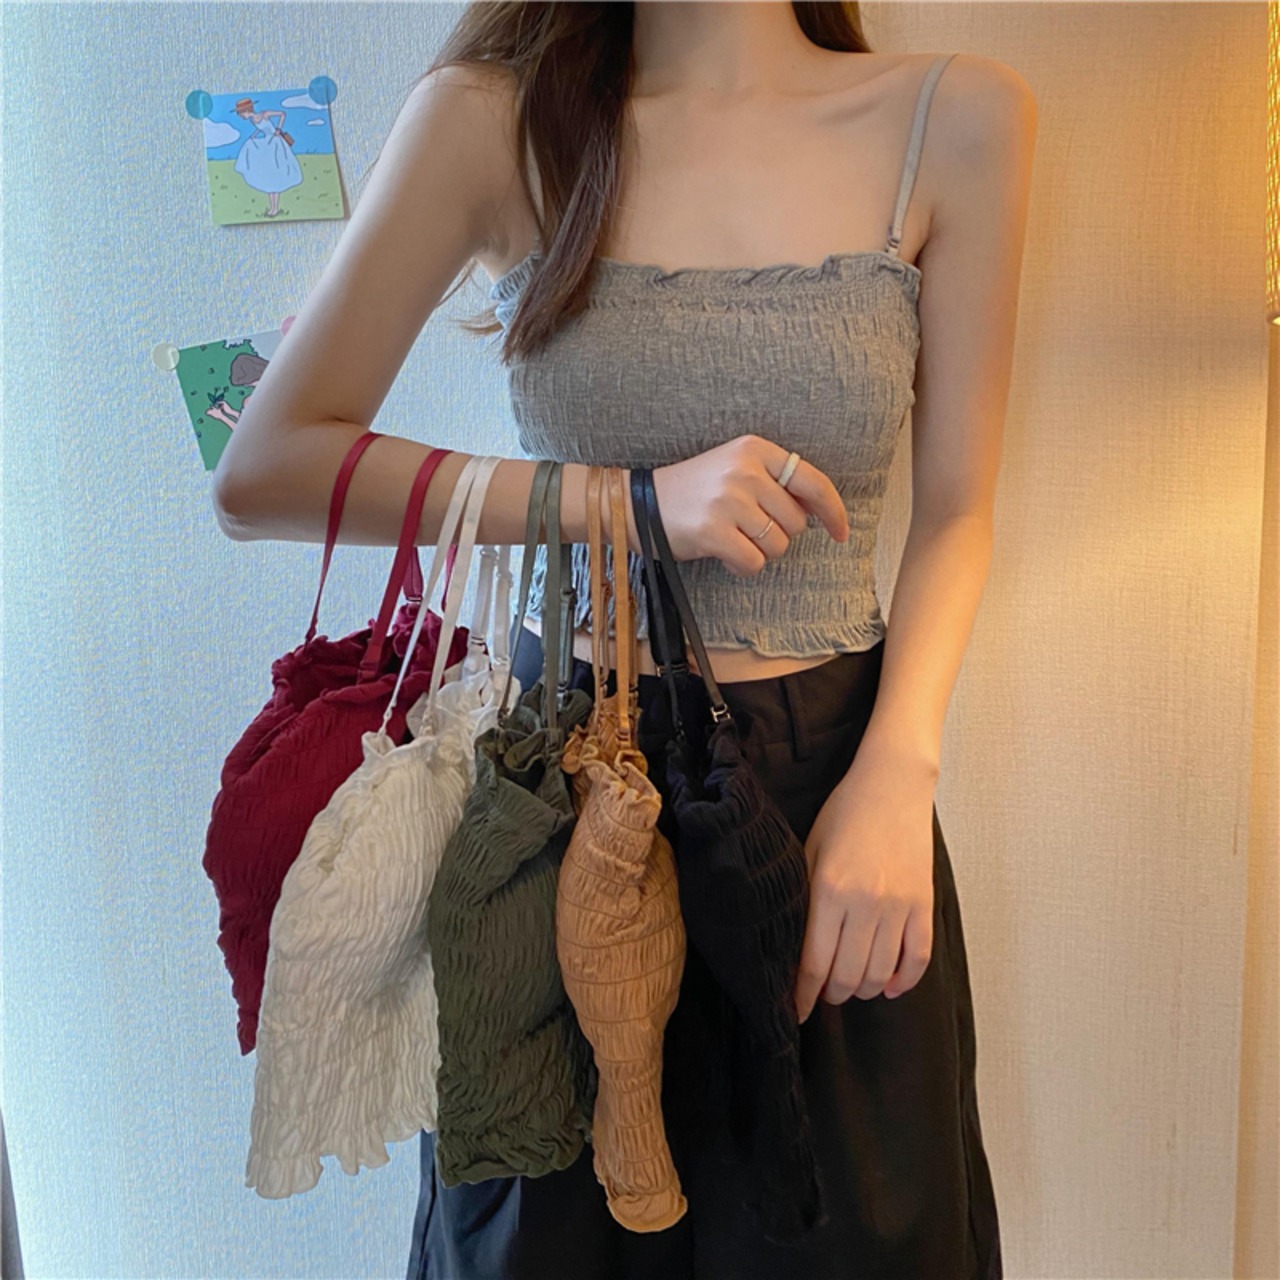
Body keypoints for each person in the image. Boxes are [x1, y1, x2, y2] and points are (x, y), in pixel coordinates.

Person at [211, 3, 1037, 1276]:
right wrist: (627, 501)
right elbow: (265, 466)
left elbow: (958, 511)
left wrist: (897, 770)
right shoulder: (490, 121)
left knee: (854, 1234)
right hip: (561, 798)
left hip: (829, 795)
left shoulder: (956, 120)